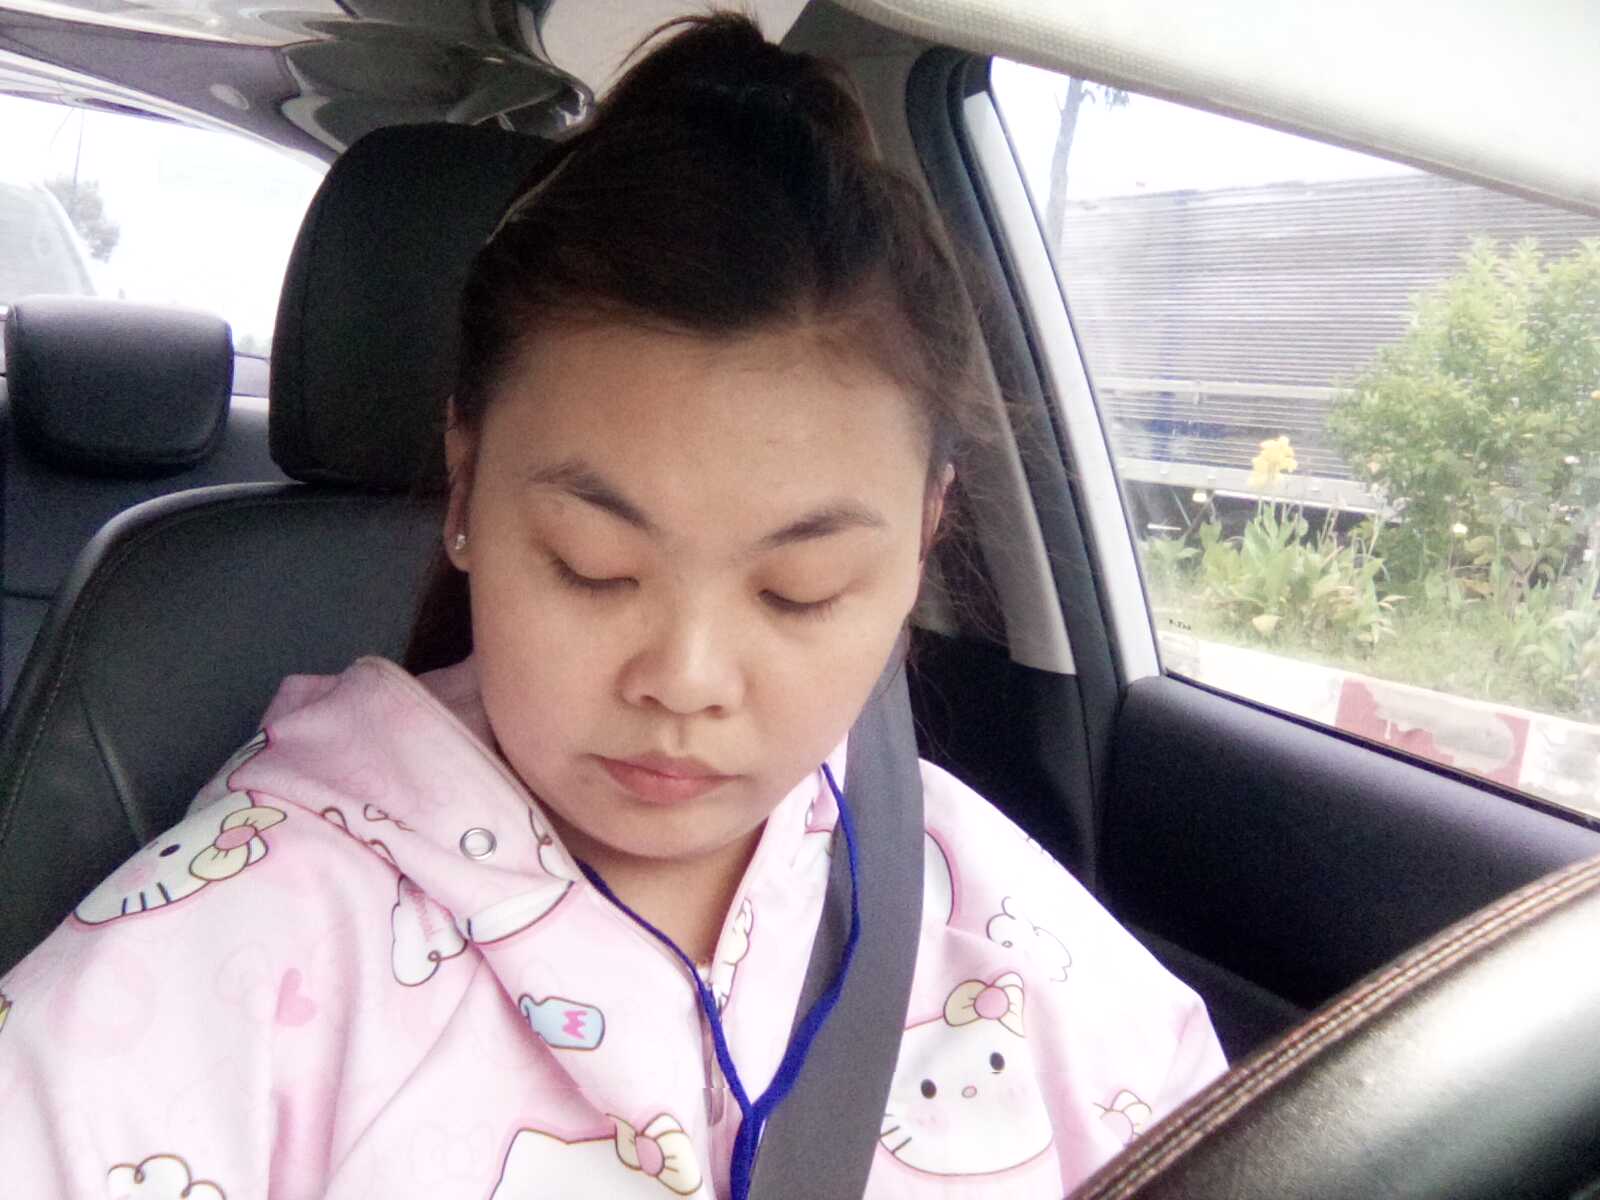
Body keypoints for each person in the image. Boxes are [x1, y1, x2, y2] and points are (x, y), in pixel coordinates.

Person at [0, 14, 1224, 1197]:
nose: (686, 677)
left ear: (921, 538)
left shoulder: (1013, 946)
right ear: (466, 488)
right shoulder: (238, 956)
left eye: (800, 591)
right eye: (593, 567)